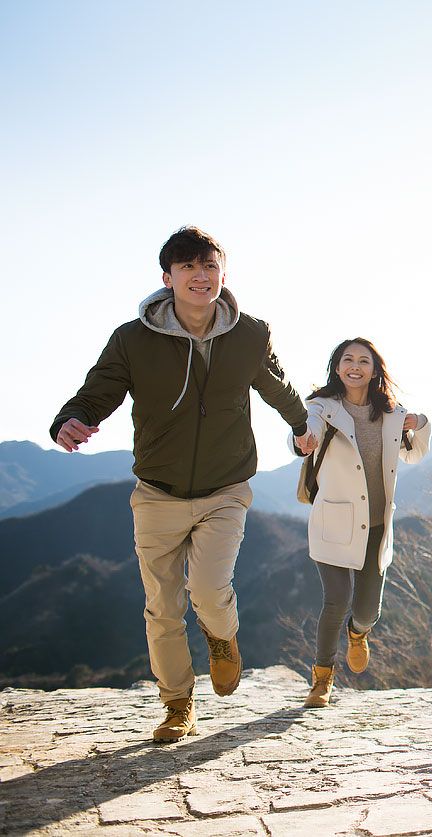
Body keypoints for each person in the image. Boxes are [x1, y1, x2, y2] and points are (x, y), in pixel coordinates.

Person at [50, 226, 315, 741]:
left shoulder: (250, 333)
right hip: (157, 492)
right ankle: (177, 704)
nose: (201, 276)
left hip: (225, 488)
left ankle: (222, 638)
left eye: (209, 266)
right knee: (162, 606)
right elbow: (98, 389)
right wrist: (71, 418)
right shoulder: (132, 338)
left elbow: (275, 383)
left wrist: (302, 426)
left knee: (211, 590)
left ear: (223, 274)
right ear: (167, 278)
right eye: (189, 267)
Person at [292, 338, 431, 708]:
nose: (355, 366)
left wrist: (421, 424)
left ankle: (358, 633)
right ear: (337, 368)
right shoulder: (322, 408)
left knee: (368, 610)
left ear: (374, 369)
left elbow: (414, 454)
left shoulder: (391, 413)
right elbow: (307, 433)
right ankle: (322, 679)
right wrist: (304, 440)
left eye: (364, 360)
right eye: (347, 359)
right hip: (334, 521)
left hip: (377, 525)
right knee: (336, 600)